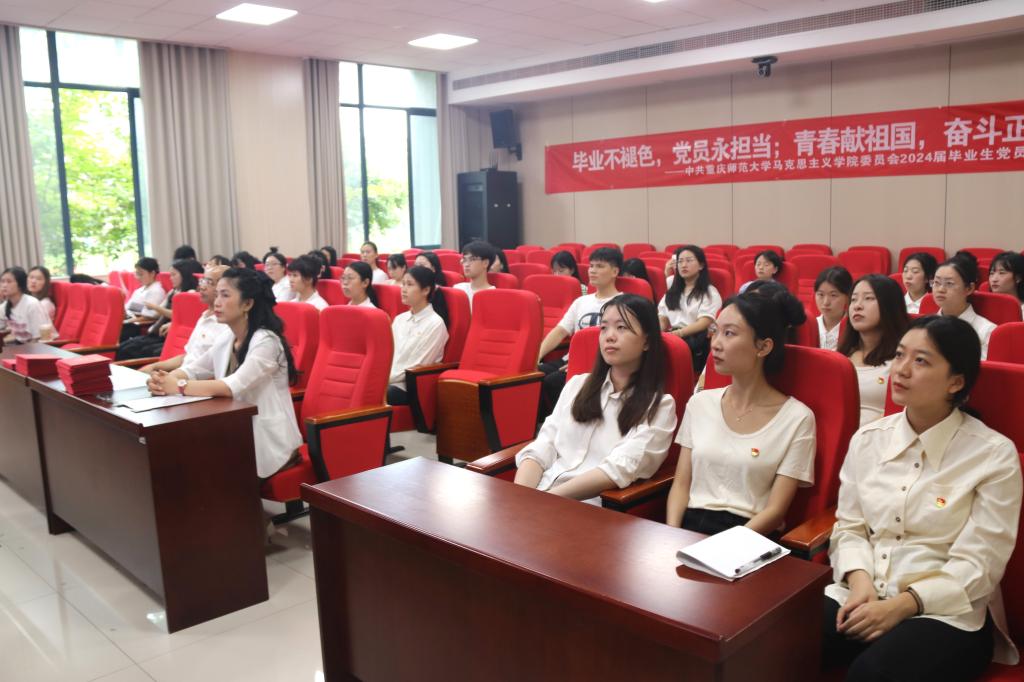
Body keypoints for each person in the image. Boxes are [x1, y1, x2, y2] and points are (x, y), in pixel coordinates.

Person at [821, 315, 1022, 681]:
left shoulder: (993, 455)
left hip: (946, 612)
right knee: (773, 640)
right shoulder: (868, 440)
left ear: (956, 382)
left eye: (921, 361)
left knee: (872, 674)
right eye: (899, 355)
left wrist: (903, 604)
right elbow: (849, 527)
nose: (901, 369)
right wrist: (860, 582)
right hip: (862, 592)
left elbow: (981, 562)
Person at [666, 292, 816, 535]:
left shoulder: (797, 418)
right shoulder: (699, 404)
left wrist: (725, 547)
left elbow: (775, 511)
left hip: (750, 534)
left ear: (763, 347)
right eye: (715, 331)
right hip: (690, 528)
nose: (715, 343)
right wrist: (671, 535)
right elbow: (681, 485)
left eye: (729, 333)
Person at [514, 294, 677, 505]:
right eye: (604, 328)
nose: (609, 336)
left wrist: (544, 502)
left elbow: (619, 468)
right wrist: (521, 497)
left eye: (621, 327)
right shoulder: (577, 385)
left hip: (586, 508)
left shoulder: (659, 407)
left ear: (646, 341)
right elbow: (544, 444)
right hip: (538, 494)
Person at [147, 269, 302, 478]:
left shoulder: (267, 342)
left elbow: (231, 386)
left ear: (247, 304)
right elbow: (194, 369)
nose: (217, 302)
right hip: (236, 428)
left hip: (269, 440)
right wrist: (167, 379)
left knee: (200, 467)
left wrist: (178, 386)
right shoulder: (227, 337)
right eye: (217, 294)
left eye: (225, 295)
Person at [535, 247, 623, 418]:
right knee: (533, 375)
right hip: (571, 358)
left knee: (553, 382)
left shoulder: (622, 303)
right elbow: (560, 331)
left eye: (600, 266)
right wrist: (537, 355)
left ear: (615, 271)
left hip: (602, 364)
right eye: (591, 266)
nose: (592, 271)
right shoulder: (581, 301)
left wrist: (583, 363)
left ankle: (564, 422)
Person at [837, 275, 909, 426]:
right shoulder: (837, 357)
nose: (857, 306)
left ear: (889, 305)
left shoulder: (902, 361)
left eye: (868, 298)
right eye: (853, 299)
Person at [140, 266, 229, 374]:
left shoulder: (226, 325)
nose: (202, 287)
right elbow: (186, 357)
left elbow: (209, 370)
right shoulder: (204, 317)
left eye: (209, 282)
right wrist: (154, 366)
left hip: (193, 382)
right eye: (202, 281)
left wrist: (171, 377)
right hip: (181, 376)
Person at [387, 266, 449, 406]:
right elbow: (387, 353)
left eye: (409, 284)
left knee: (371, 394)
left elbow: (419, 365)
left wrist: (385, 379)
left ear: (425, 290)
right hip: (388, 380)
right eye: (403, 284)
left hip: (408, 387)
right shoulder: (399, 319)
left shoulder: (435, 324)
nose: (403, 289)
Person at [657, 245, 721, 373]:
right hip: (672, 337)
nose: (683, 265)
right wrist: (657, 334)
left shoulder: (709, 292)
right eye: (680, 261)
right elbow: (663, 318)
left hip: (695, 340)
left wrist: (677, 334)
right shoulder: (672, 291)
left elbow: (704, 322)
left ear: (701, 265)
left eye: (689, 260)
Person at [933, 251, 996, 359]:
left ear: (969, 288)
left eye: (949, 283)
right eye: (936, 282)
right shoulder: (925, 326)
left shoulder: (987, 331)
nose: (940, 289)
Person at [0, 267, 49, 344]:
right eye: (2, 281)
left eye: (9, 281)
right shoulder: (4, 306)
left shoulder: (32, 304)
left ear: (20, 285)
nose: (4, 285)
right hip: (18, 345)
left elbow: (39, 338)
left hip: (37, 347)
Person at [121, 257, 166, 341]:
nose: (138, 277)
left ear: (152, 273)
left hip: (137, 326)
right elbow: (127, 308)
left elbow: (150, 316)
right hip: (130, 320)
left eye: (141, 274)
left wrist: (128, 321)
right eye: (137, 274)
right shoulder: (139, 290)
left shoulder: (156, 291)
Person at [814, 266, 853, 351]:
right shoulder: (810, 326)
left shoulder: (853, 328)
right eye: (821, 294)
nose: (826, 302)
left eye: (833, 295)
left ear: (848, 296)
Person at [454, 241, 496, 310]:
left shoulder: (493, 294)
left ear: (485, 263)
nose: (466, 264)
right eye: (464, 260)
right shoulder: (458, 288)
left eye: (472, 259)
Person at [988, 251, 1024, 317]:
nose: (994, 279)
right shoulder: (986, 307)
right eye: (991, 273)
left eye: (1002, 273)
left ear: (1018, 278)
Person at [26, 265, 57, 331]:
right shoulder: (27, 300)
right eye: (31, 277)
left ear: (45, 283)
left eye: (39, 279)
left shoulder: (45, 304)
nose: (33, 281)